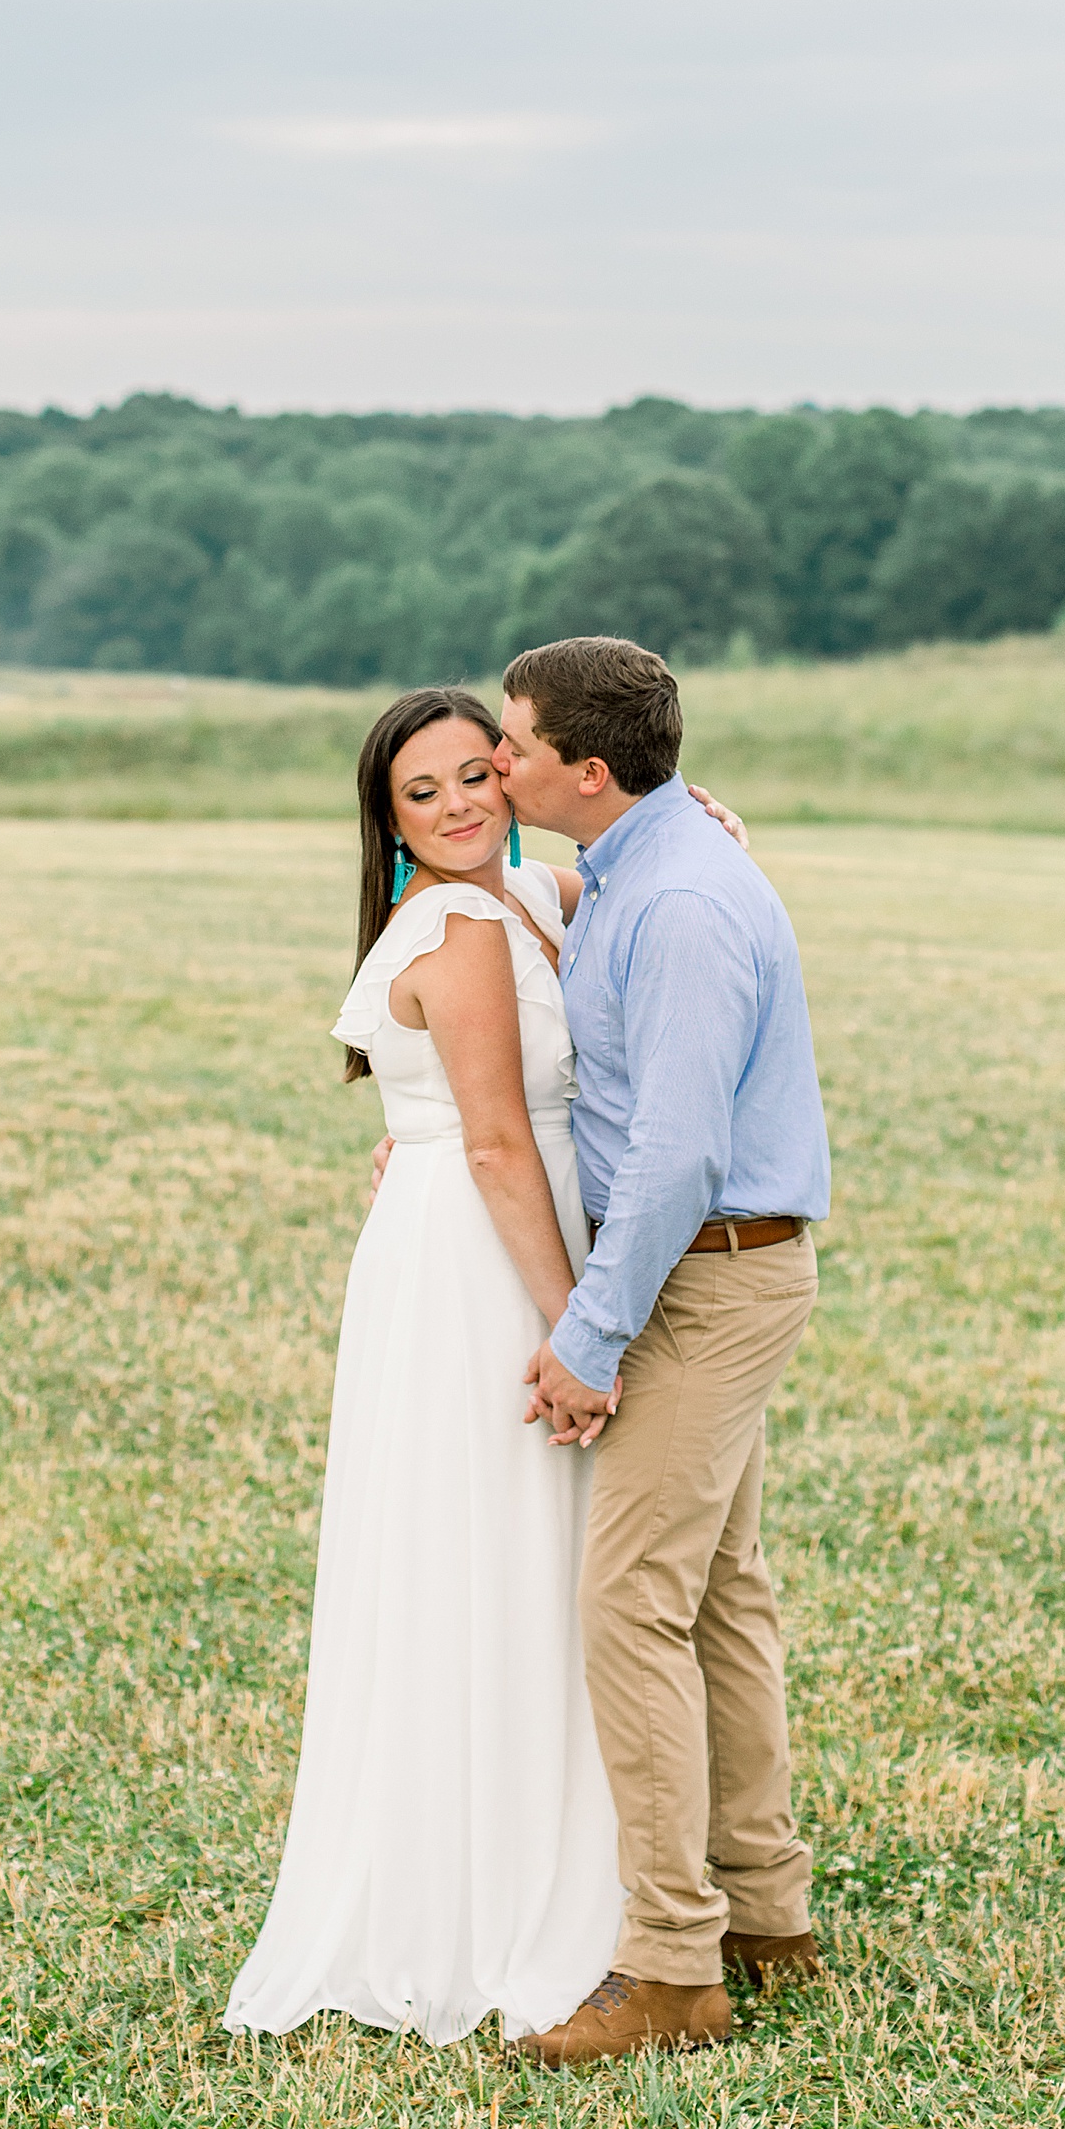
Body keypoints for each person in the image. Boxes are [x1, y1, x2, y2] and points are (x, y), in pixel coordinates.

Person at [223, 686, 750, 2046]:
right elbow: (503, 1143)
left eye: (476, 772)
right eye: (424, 792)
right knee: (499, 1554)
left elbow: (623, 852)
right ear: (386, 820)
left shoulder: (528, 893)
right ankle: (509, 1897)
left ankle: (605, 1879)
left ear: (516, 774)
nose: (458, 803)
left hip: (486, 1233)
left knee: (536, 1555)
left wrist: (698, 817)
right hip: (484, 1268)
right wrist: (579, 1325)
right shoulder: (457, 928)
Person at [491, 635, 831, 2068]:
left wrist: (589, 1333)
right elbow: (441, 891)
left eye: (511, 743)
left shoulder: (680, 901)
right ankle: (768, 1919)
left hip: (705, 1281)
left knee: (629, 1602)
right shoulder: (642, 861)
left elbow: (681, 1152)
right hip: (710, 1273)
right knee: (717, 1594)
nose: (495, 763)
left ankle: (671, 1962)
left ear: (587, 765)